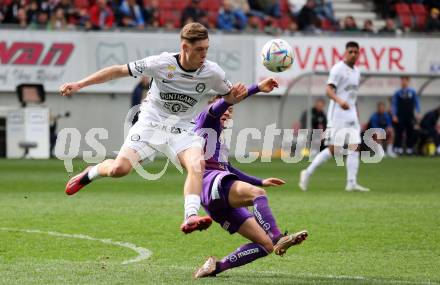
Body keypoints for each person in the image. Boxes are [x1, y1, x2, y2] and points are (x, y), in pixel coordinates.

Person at [59, 22, 244, 234]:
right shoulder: (161, 63)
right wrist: (80, 85)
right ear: (185, 47)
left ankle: (190, 216)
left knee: (196, 165)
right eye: (199, 49)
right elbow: (118, 71)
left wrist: (253, 90)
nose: (204, 54)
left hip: (183, 128)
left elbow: (230, 96)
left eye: (206, 49)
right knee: (119, 169)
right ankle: (90, 173)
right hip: (150, 122)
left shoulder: (212, 72)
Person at [193, 78, 308, 278]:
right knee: (257, 195)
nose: (227, 112)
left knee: (265, 245)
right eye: (225, 108)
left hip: (216, 196)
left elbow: (228, 168)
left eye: (230, 112)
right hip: (210, 182)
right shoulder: (207, 118)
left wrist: (260, 181)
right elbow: (226, 102)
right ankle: (279, 236)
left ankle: (215, 268)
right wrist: (257, 88)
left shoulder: (218, 138)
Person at [299, 41, 370, 192]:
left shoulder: (357, 71)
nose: (352, 54)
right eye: (350, 51)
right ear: (345, 53)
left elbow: (352, 96)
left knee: (355, 146)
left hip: (351, 114)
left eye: (355, 52)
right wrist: (340, 101)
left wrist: (354, 110)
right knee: (335, 149)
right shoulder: (338, 69)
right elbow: (328, 90)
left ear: (359, 54)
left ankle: (351, 182)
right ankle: (307, 172)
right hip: (338, 113)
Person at [391, 76, 421, 155]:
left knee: (410, 132)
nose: (403, 82)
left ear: (408, 82)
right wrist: (394, 115)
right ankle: (399, 147)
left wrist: (418, 112)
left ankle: (409, 148)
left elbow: (417, 102)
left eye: (405, 81)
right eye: (402, 81)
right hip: (400, 115)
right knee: (399, 132)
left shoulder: (412, 92)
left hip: (410, 115)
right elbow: (394, 104)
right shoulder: (398, 93)